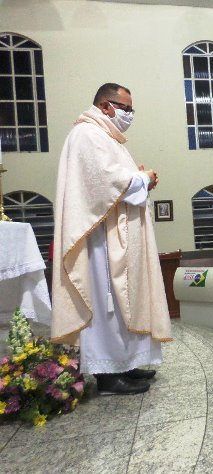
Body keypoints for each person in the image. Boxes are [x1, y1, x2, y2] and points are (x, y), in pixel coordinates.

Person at [51, 83, 172, 396]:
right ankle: (107, 376)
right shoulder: (86, 134)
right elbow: (106, 184)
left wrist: (141, 181)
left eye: (131, 109)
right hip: (100, 244)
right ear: (105, 105)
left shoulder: (108, 137)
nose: (129, 114)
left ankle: (126, 363)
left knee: (122, 304)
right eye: (125, 108)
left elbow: (120, 183)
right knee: (107, 306)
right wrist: (144, 178)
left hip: (115, 238)